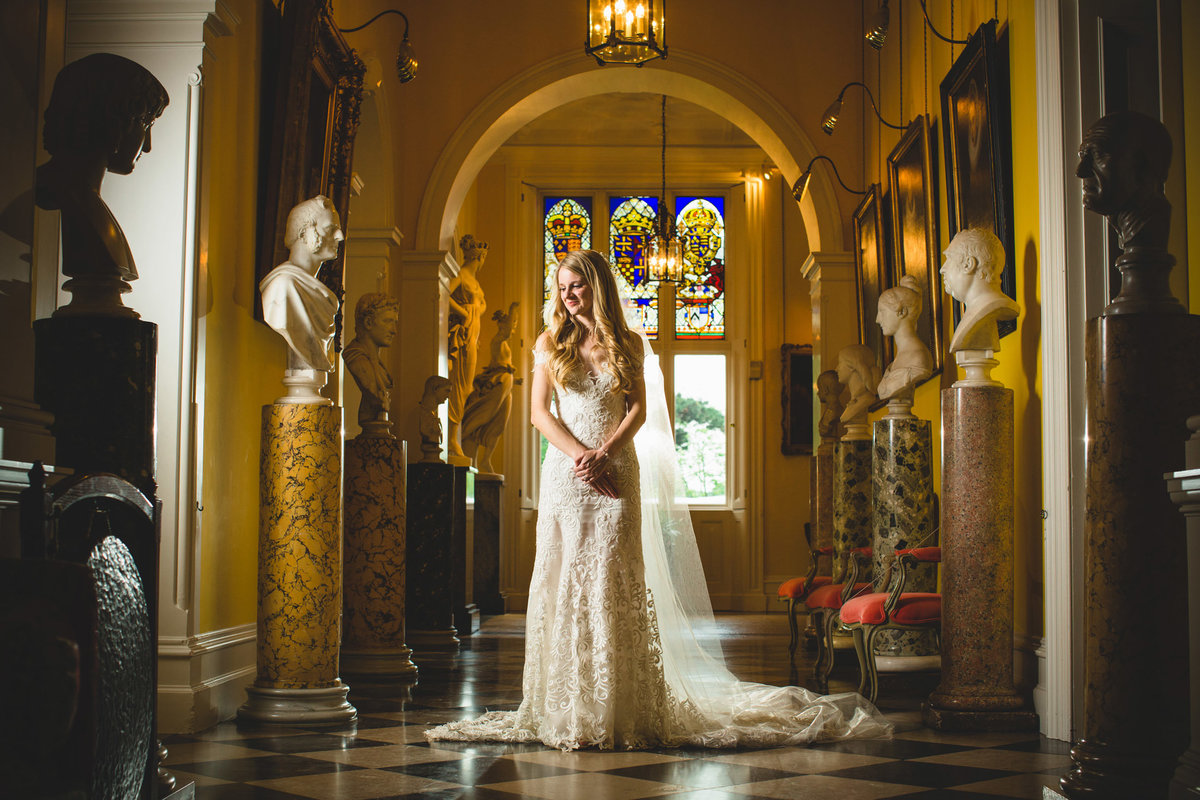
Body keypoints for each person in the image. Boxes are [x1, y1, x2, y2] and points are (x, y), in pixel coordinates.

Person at [426, 249, 890, 751]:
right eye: (561, 288)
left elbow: (640, 411)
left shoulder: (628, 342)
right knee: (563, 581)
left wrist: (605, 453)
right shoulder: (548, 343)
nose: (567, 296)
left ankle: (619, 706)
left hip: (617, 471)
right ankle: (564, 706)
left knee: (613, 578)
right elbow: (539, 413)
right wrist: (582, 455)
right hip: (565, 475)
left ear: (597, 286)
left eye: (576, 285)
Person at [36, 52, 169, 316]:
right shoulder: (69, 195)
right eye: (145, 124)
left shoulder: (88, 201)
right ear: (114, 119)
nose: (148, 146)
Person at [259, 196, 343, 373]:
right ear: (305, 232)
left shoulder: (319, 294)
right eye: (331, 229)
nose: (340, 236)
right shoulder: (283, 286)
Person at [461, 302, 520, 474]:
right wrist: (512, 310)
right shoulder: (497, 341)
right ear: (502, 325)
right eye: (512, 324)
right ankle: (462, 435)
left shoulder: (506, 345)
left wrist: (514, 381)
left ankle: (486, 460)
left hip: (505, 382)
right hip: (497, 382)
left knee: (498, 425)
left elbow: (503, 364)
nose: (513, 328)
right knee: (484, 415)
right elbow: (507, 332)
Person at [940, 228, 1019, 353]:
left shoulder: (987, 309)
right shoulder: (974, 313)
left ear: (968, 264)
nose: (942, 269)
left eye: (949, 259)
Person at [446, 234, 489, 463]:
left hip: (472, 338)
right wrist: (464, 313)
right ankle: (452, 438)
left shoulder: (475, 281)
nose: (483, 262)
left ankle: (455, 436)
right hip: (462, 339)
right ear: (479, 257)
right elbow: (444, 294)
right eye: (483, 257)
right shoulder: (461, 275)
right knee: (459, 387)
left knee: (465, 387)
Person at [342, 292, 400, 435]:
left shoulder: (378, 365)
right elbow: (373, 390)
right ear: (368, 323)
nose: (394, 331)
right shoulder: (355, 357)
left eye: (395, 323)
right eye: (387, 321)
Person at [875, 275, 933, 403]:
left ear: (901, 312)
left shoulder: (918, 358)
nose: (877, 319)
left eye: (882, 311)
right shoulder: (896, 362)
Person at [835, 344, 882, 429]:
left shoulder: (866, 400)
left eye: (840, 363)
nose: (836, 369)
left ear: (852, 366)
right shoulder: (854, 401)